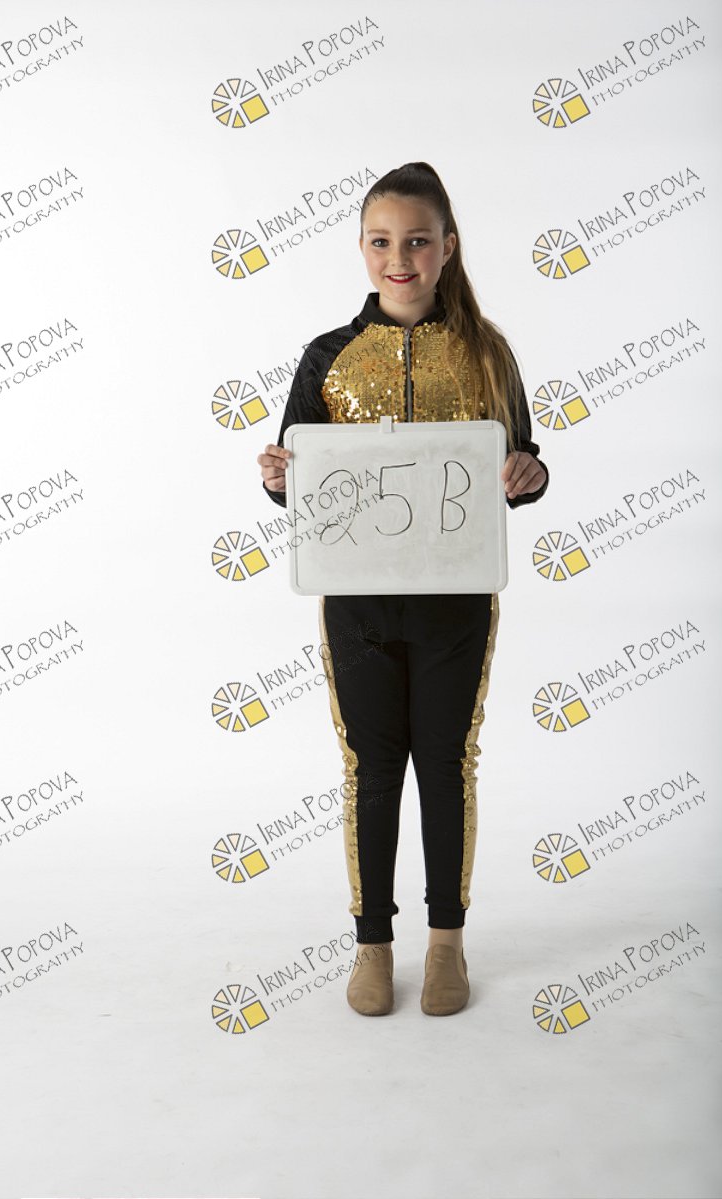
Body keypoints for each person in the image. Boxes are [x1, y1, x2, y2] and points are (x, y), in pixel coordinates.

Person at [256, 162, 549, 1018]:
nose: (400, 258)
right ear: (361, 248)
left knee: (447, 764)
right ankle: (373, 944)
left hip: (457, 602)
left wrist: (528, 475)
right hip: (358, 606)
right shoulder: (327, 357)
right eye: (382, 241)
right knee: (371, 767)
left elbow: (520, 460)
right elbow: (302, 479)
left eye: (417, 241)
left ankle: (446, 941)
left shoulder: (487, 353)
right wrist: (277, 478)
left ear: (447, 247)